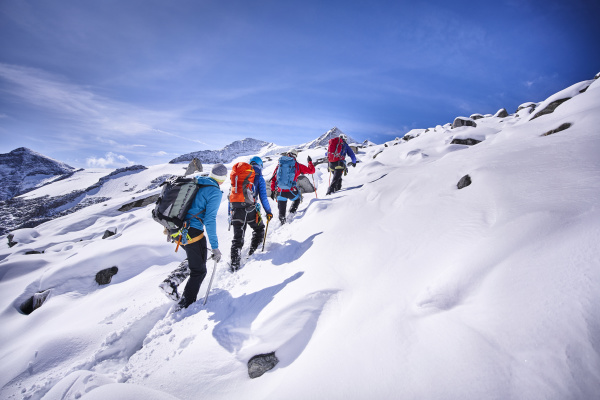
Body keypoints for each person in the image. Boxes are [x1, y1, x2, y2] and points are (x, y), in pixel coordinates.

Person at [172, 163, 226, 309]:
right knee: (199, 270)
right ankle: (184, 306)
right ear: (222, 179)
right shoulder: (214, 191)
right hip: (192, 232)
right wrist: (215, 248)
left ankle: (171, 282)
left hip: (176, 228)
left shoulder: (198, 181)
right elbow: (209, 220)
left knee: (196, 258)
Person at [229, 156, 273, 271]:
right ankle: (252, 254)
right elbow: (263, 198)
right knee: (259, 229)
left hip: (236, 209)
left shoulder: (239, 175)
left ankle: (234, 264)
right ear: (260, 165)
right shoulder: (259, 178)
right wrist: (268, 212)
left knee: (237, 237)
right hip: (250, 209)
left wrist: (231, 213)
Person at [270, 149, 315, 224]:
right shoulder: (297, 165)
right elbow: (311, 171)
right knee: (297, 199)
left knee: (281, 212)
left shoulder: (280, 165)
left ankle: (282, 222)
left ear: (288, 154)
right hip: (292, 191)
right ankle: (291, 213)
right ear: (295, 156)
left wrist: (272, 190)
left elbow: (273, 179)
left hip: (280, 192)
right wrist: (310, 162)